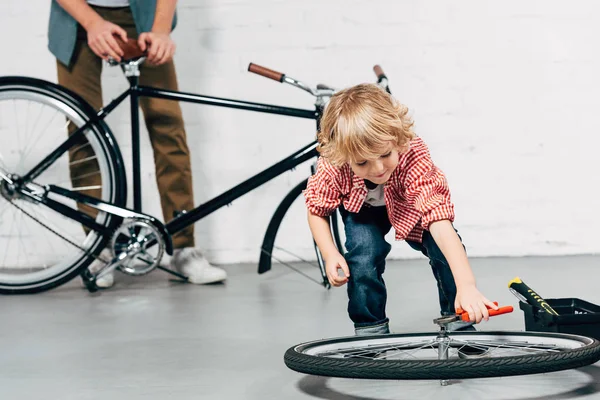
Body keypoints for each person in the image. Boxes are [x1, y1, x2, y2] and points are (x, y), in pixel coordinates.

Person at [48, 0, 227, 287]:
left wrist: (160, 30)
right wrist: (92, 23)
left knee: (167, 125)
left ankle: (183, 247)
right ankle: (97, 248)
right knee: (85, 133)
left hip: (143, 11)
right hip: (77, 14)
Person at [304, 83, 497, 335]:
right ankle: (370, 329)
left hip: (409, 205)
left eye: (385, 154)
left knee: (443, 249)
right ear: (344, 157)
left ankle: (459, 317)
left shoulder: (412, 153)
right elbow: (317, 209)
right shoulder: (334, 164)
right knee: (363, 256)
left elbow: (438, 220)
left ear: (397, 139)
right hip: (361, 209)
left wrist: (467, 284)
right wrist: (330, 253)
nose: (377, 169)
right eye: (362, 162)